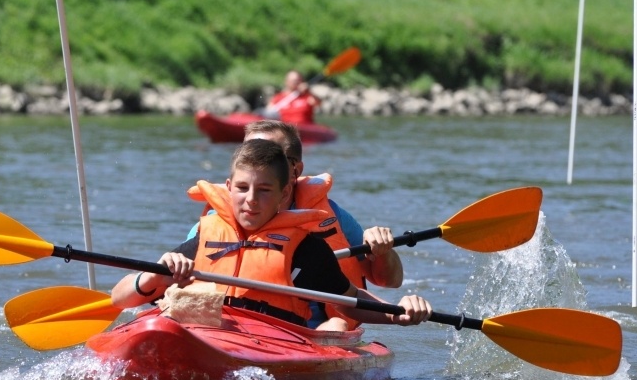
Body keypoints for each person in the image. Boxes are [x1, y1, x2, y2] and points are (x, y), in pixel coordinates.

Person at [112, 138, 432, 330]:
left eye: (264, 191)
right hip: (209, 331)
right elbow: (120, 297)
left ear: (283, 195)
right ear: (228, 188)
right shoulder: (202, 237)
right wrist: (153, 278)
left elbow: (348, 302)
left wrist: (396, 314)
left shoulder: (306, 250)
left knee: (334, 324)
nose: (251, 200)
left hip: (269, 340)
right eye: (242, 188)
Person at [186, 119, 403, 331]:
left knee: (337, 325)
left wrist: (384, 252)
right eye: (249, 150)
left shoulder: (329, 222)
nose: (255, 160)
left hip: (307, 332)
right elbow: (175, 281)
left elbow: (387, 282)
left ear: (295, 170)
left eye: (270, 155)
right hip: (224, 329)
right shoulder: (210, 226)